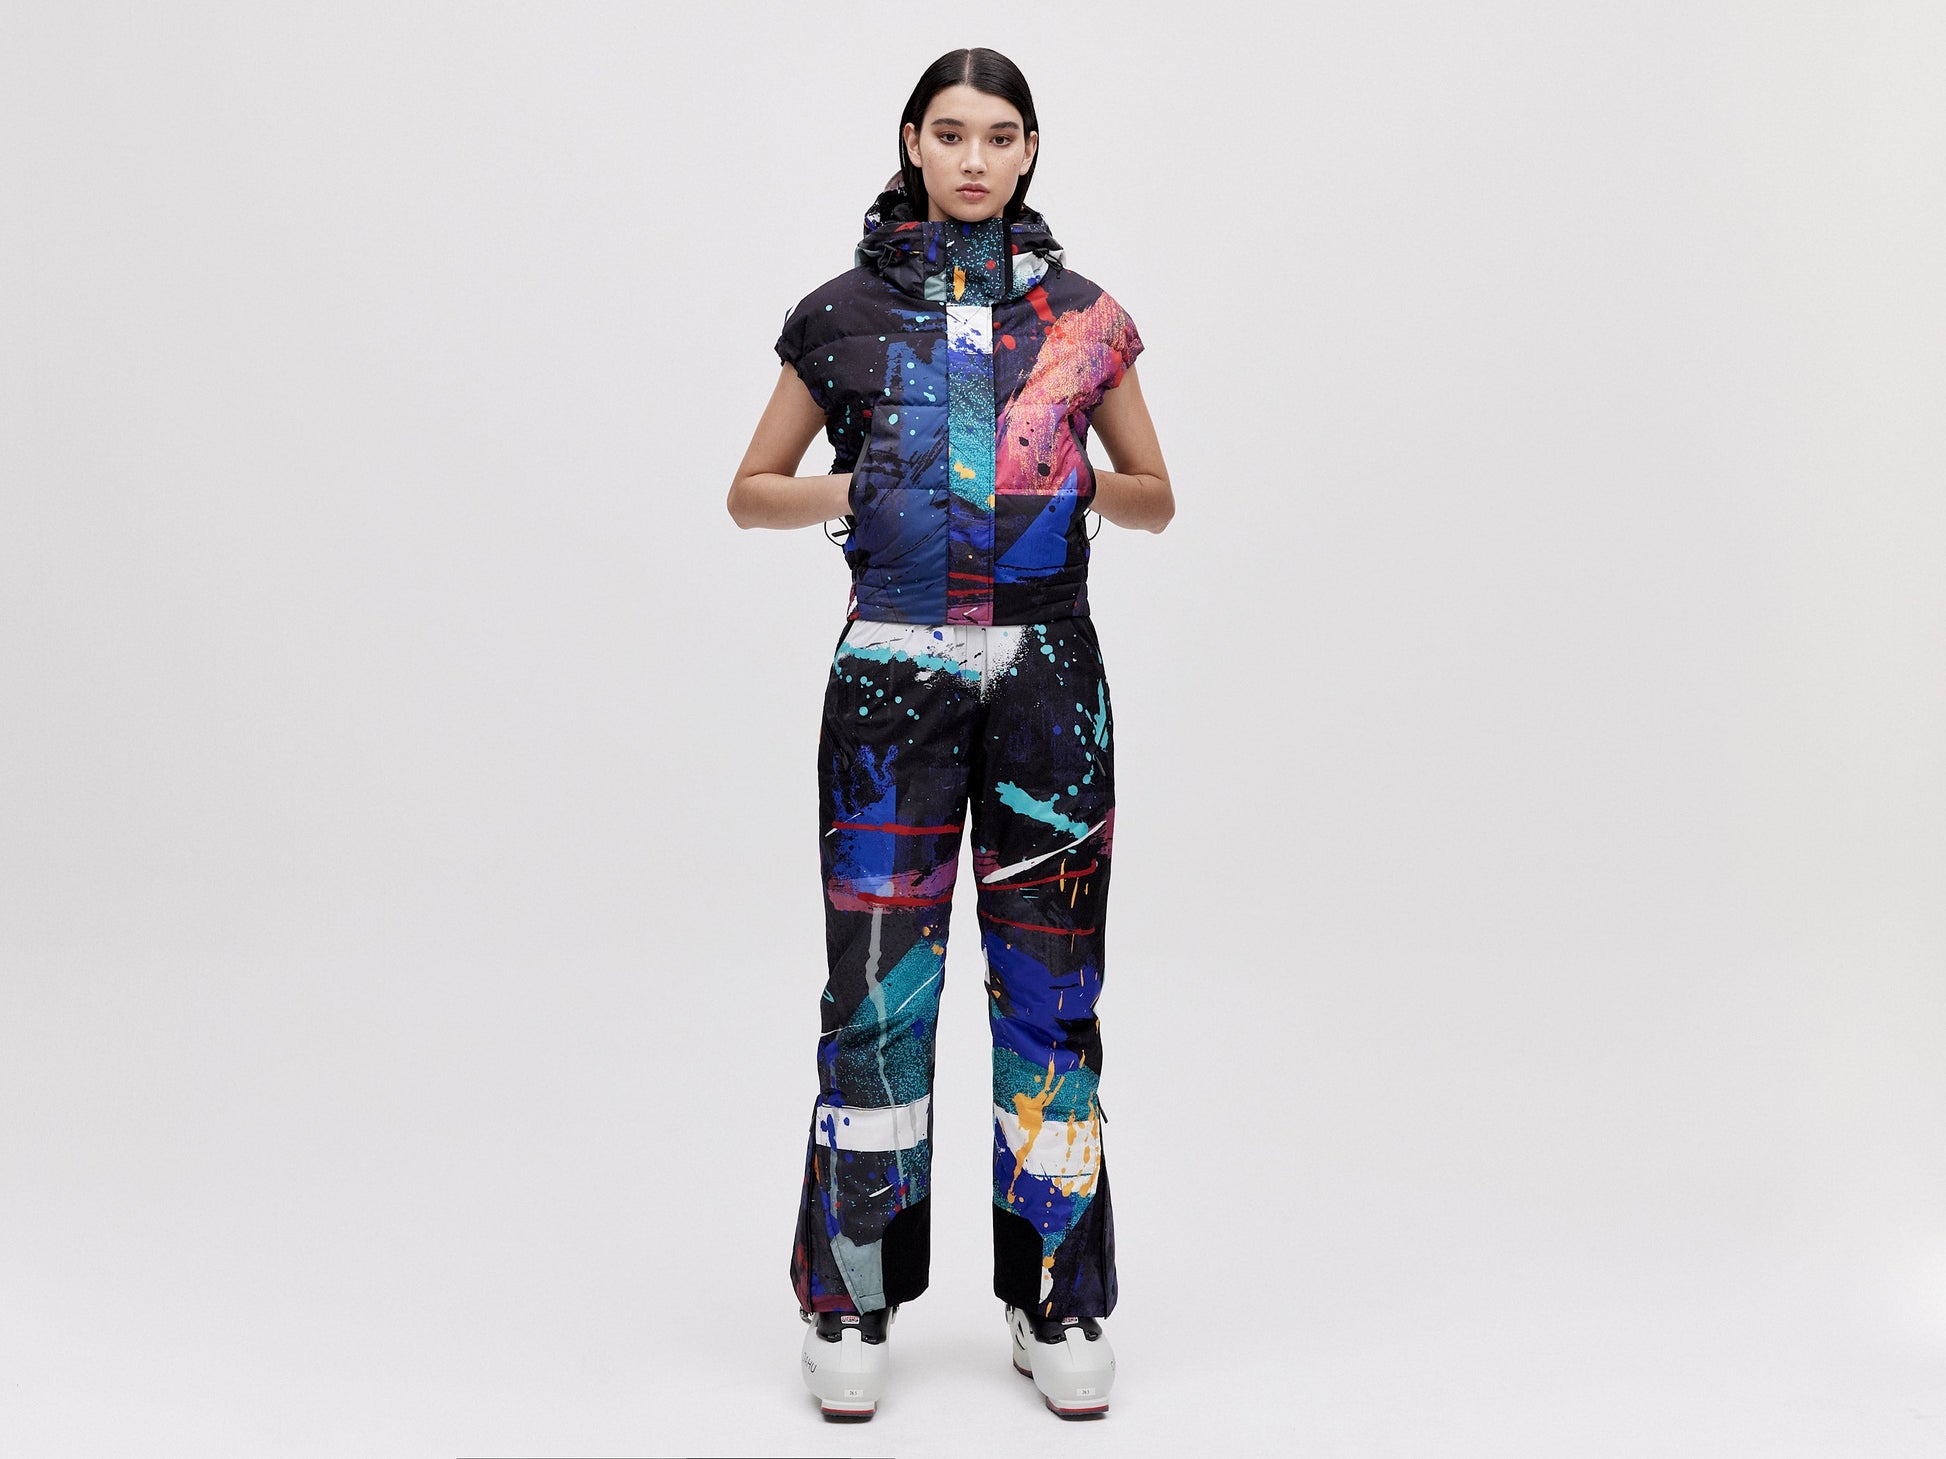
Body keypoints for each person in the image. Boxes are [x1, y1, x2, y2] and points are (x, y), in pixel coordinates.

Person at [727, 45, 1174, 1422]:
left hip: (1048, 679)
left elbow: (1156, 496)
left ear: (1030, 151)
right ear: (912, 144)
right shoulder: (839, 314)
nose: (973, 158)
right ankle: (850, 1295)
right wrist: (863, 484)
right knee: (876, 994)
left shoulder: (1084, 321)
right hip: (891, 682)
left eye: (998, 135)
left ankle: (1056, 1296)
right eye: (949, 133)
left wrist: (1065, 474)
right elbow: (751, 489)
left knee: (1052, 994)